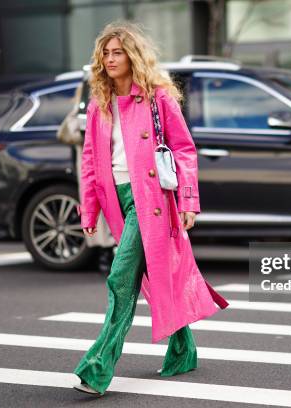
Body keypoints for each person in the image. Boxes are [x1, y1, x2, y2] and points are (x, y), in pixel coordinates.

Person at [72, 21, 229, 396]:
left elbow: (184, 149)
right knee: (157, 275)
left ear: (133, 55)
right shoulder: (99, 103)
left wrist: (189, 201)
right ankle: (183, 349)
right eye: (105, 53)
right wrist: (88, 211)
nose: (110, 59)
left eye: (117, 52)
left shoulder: (157, 97)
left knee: (121, 278)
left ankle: (97, 368)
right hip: (118, 200)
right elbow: (91, 161)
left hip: (153, 200)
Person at [57, 81, 116, 275]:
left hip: (107, 164)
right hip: (92, 164)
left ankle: (106, 251)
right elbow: (71, 132)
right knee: (98, 207)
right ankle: (105, 251)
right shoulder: (89, 104)